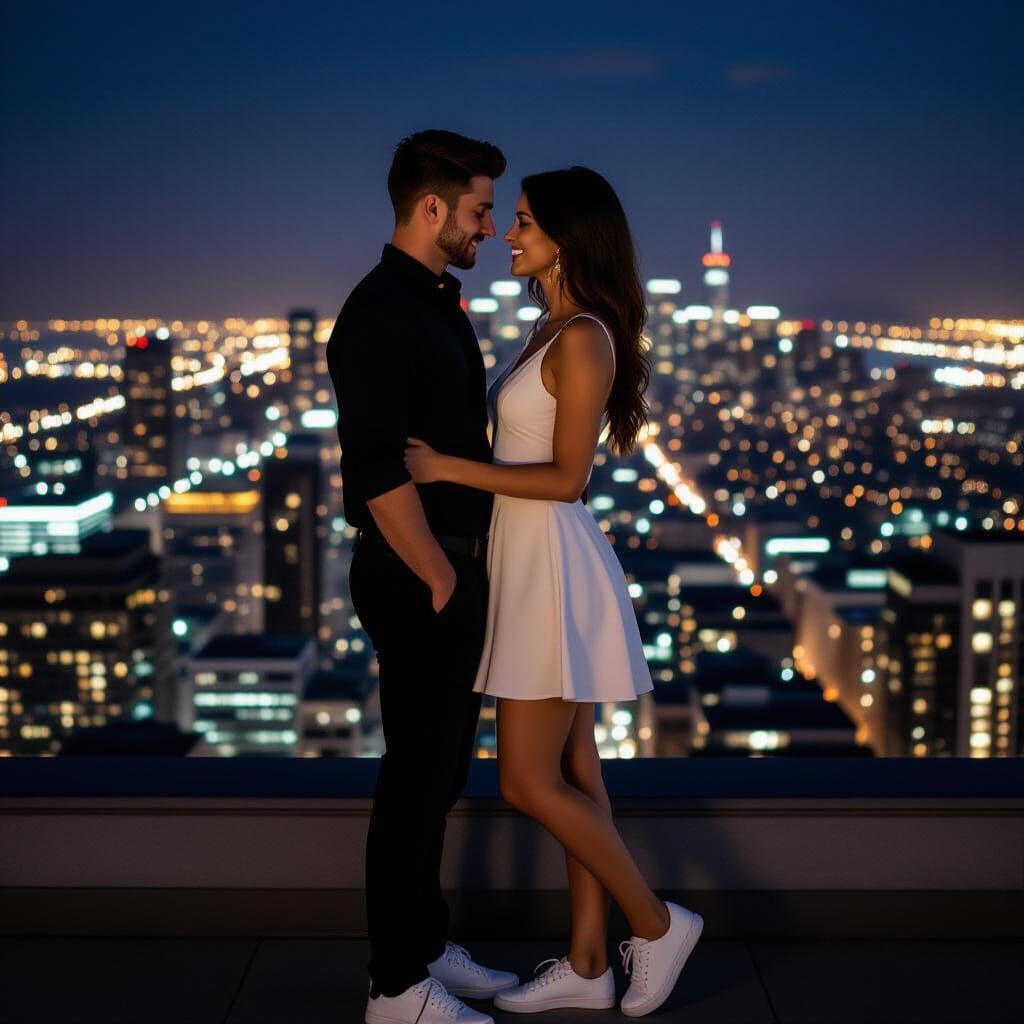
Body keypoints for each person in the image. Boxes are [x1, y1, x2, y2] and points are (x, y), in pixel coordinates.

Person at [404, 166, 704, 1018]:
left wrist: (446, 466)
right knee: (577, 769)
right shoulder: (550, 327)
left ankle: (654, 924)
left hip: (553, 565)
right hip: (530, 560)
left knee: (526, 782)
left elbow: (568, 477)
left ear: (568, 237)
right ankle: (585, 961)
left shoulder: (583, 338)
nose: (509, 232)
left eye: (526, 220)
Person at [327, 129, 519, 1024]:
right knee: (413, 779)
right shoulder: (379, 313)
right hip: (417, 576)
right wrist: (442, 575)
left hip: (444, 574)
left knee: (438, 775)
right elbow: (372, 469)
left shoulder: (434, 300)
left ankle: (425, 945)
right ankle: (395, 988)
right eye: (480, 210)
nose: (488, 227)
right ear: (432, 207)